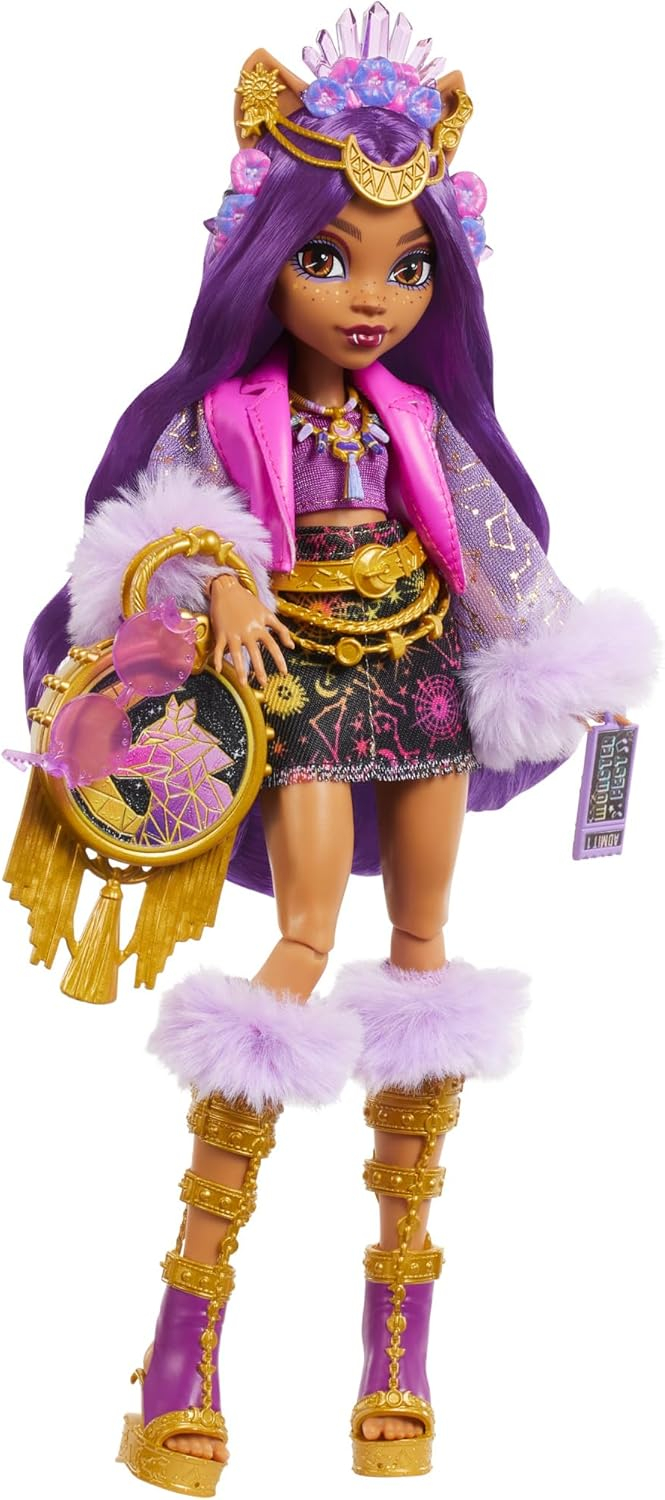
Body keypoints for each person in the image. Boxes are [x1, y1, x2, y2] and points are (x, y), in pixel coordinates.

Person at [21, 8, 658, 1493]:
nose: (370, 296)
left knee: (424, 958)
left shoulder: (419, 414)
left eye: (406, 265)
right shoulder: (227, 412)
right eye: (330, 258)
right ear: (264, 261)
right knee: (301, 953)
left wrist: (573, 669)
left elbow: (493, 551)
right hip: (302, 695)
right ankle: (182, 1340)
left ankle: (397, 1348)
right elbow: (145, 537)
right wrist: (216, 574)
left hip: (424, 686)